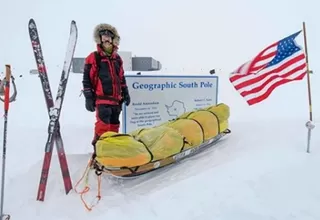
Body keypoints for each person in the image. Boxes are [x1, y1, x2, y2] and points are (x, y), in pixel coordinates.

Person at [82, 23, 131, 148]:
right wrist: (88, 96)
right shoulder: (93, 57)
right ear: (99, 39)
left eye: (109, 35)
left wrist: (125, 93)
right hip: (102, 99)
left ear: (114, 39)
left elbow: (121, 78)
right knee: (103, 126)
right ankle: (99, 150)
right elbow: (86, 78)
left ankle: (112, 150)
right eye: (103, 35)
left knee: (114, 126)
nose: (106, 38)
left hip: (116, 100)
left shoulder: (118, 59)